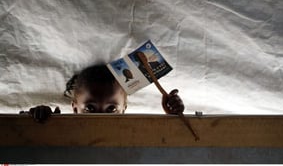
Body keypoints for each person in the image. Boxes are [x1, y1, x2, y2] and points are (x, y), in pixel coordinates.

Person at [21, 64, 184, 122]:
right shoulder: (60, 132)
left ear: (124, 109)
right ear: (75, 108)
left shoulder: (132, 135)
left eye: (111, 109)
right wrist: (39, 121)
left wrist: (172, 118)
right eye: (90, 108)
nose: (100, 117)